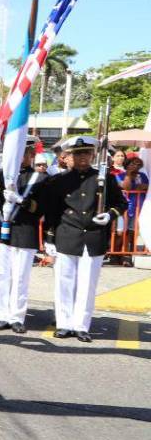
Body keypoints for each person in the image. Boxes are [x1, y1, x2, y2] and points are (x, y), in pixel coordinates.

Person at [40, 136, 127, 342]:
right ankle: (63, 323)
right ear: (69, 155)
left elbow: (120, 203)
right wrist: (49, 239)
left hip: (94, 236)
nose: (82, 157)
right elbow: (52, 212)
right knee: (64, 283)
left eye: (86, 153)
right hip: (67, 235)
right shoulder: (59, 181)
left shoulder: (104, 178)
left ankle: (81, 325)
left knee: (87, 285)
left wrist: (110, 215)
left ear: (93, 155)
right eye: (78, 153)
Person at [0, 140, 43, 334]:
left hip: (25, 233)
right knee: (1, 275)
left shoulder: (39, 178)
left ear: (31, 155)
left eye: (25, 154)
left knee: (20, 278)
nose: (21, 158)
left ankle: (17, 317)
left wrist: (21, 200)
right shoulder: (1, 175)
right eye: (17, 154)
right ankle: (1, 316)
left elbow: (40, 208)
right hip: (3, 232)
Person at [115, 155, 147, 263]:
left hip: (138, 207)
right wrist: (129, 175)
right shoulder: (120, 175)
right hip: (124, 207)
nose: (136, 166)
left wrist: (143, 185)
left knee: (132, 232)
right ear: (127, 164)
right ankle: (116, 254)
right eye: (133, 163)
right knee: (120, 232)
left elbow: (146, 187)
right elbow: (126, 187)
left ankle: (127, 255)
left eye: (138, 164)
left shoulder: (142, 175)